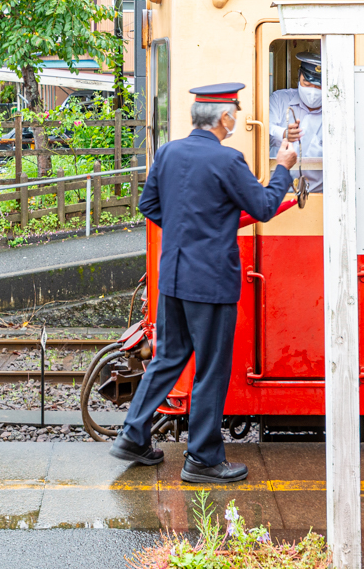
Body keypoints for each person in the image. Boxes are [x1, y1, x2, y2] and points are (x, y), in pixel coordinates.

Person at [111, 83, 298, 483]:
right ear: (225, 118)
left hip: (174, 278)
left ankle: (132, 436)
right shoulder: (228, 160)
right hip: (211, 281)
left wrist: (187, 232)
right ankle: (204, 459)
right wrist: (283, 166)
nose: (237, 117)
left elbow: (149, 205)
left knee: (168, 358)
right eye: (236, 111)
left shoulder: (169, 152)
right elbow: (264, 206)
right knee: (211, 369)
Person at [268, 50, 323, 193]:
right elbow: (262, 129)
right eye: (307, 83)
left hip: (319, 194)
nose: (312, 91)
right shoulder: (280, 99)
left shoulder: (336, 110)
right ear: (298, 77)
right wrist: (284, 133)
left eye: (318, 87)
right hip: (279, 192)